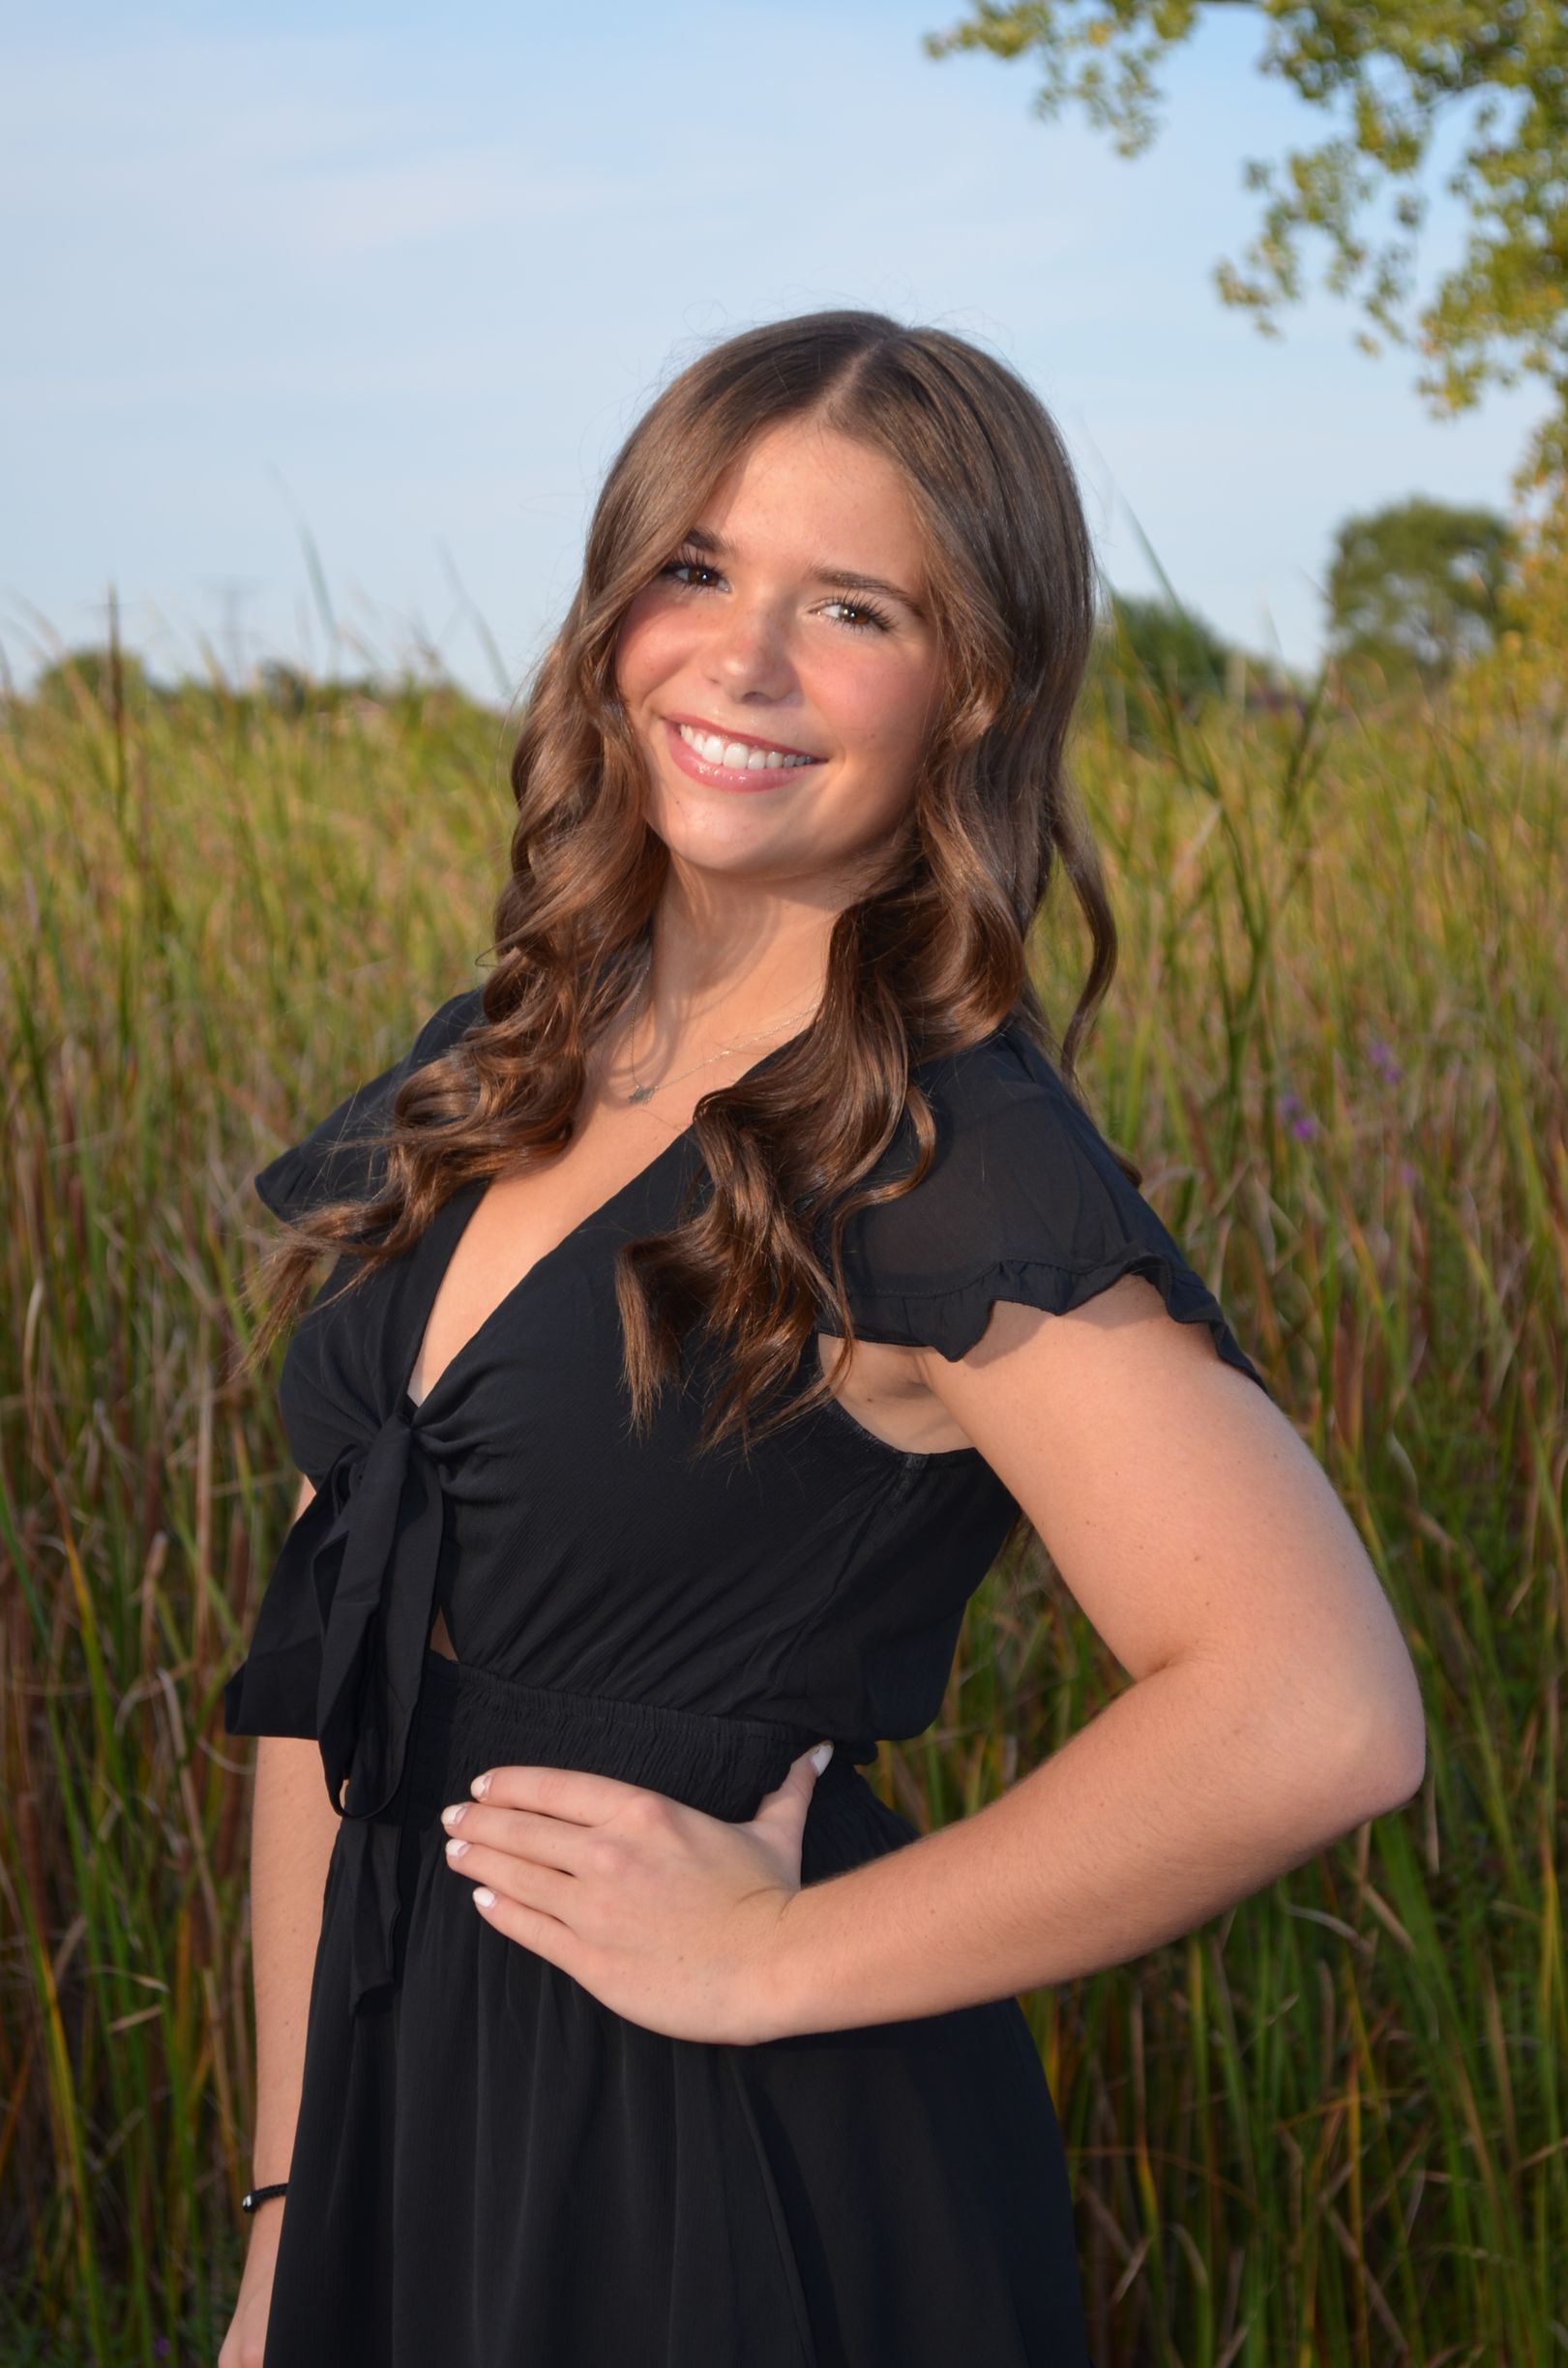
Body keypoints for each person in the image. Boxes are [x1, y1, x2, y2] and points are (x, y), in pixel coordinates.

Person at [218, 309, 1426, 2368]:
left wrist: (769, 1959)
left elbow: (1316, 1711)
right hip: (405, 2128)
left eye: (851, 607)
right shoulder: (500, 1060)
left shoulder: (945, 1158)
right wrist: (284, 2220)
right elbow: (326, 1674)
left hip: (713, 2169)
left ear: (978, 687)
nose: (741, 659)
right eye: (694, 569)